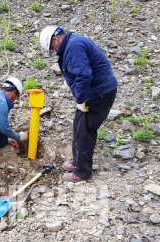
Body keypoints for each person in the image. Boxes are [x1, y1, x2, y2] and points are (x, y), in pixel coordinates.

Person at [39, 26, 118, 182]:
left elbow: (83, 75)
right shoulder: (73, 43)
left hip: (100, 92)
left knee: (85, 131)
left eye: (53, 48)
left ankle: (82, 172)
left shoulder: (73, 46)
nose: (54, 51)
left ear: (55, 39)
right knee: (78, 125)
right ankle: (77, 162)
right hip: (95, 91)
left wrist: (80, 99)